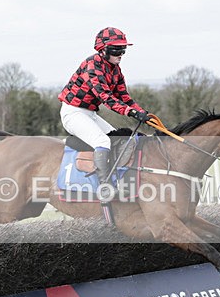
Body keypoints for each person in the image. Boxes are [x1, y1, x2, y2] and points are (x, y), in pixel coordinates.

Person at [58, 27, 151, 187]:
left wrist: (142, 112)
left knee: (116, 138)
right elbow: (106, 97)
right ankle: (105, 186)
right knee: (103, 141)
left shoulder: (115, 70)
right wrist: (131, 112)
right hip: (73, 113)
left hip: (91, 114)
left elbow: (124, 97)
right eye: (116, 50)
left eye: (123, 49)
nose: (120, 54)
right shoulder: (92, 65)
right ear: (103, 50)